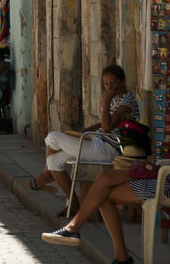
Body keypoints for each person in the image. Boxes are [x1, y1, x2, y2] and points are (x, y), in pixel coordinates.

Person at [41, 84, 170, 264]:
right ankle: (81, 233)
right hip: (169, 176)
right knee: (103, 180)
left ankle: (80, 233)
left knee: (102, 195)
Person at [29, 64, 141, 213]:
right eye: (106, 83)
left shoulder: (127, 102)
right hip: (97, 141)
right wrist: (85, 131)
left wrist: (106, 100)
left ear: (123, 81)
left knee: (52, 137)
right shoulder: (117, 99)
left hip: (108, 149)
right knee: (53, 161)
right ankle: (73, 203)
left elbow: (107, 128)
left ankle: (46, 175)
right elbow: (103, 123)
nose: (109, 87)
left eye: (113, 82)